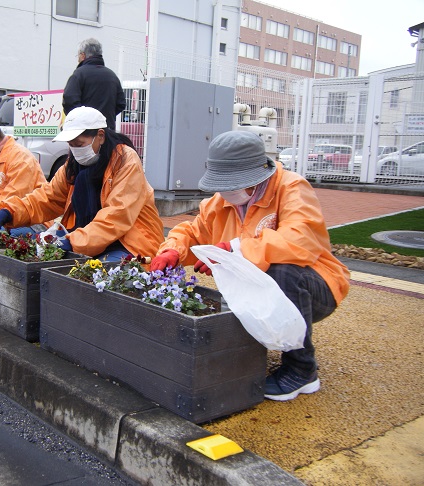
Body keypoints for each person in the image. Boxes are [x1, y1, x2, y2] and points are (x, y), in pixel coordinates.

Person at [150, 130, 350, 402]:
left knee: (282, 271)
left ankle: (302, 370)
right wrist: (172, 250)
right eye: (222, 183)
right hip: (265, 286)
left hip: (317, 287)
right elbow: (192, 232)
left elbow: (301, 241)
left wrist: (234, 249)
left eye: (233, 182)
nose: (226, 190)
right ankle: (253, 353)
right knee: (246, 283)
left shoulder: (292, 188)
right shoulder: (220, 203)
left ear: (259, 174)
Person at [0, 106, 164, 261]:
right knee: (31, 244)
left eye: (79, 144)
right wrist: (10, 211)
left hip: (130, 241)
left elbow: (117, 216)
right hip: (88, 237)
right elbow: (47, 198)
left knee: (97, 275)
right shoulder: (73, 165)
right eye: (71, 145)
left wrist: (72, 242)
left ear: (100, 136)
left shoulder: (126, 160)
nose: (76, 150)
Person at [62, 38, 126, 131]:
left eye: (78, 56)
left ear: (83, 55)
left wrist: (80, 120)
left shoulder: (79, 75)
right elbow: (121, 103)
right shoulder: (112, 76)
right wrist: (104, 117)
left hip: (84, 132)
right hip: (107, 131)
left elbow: (69, 100)